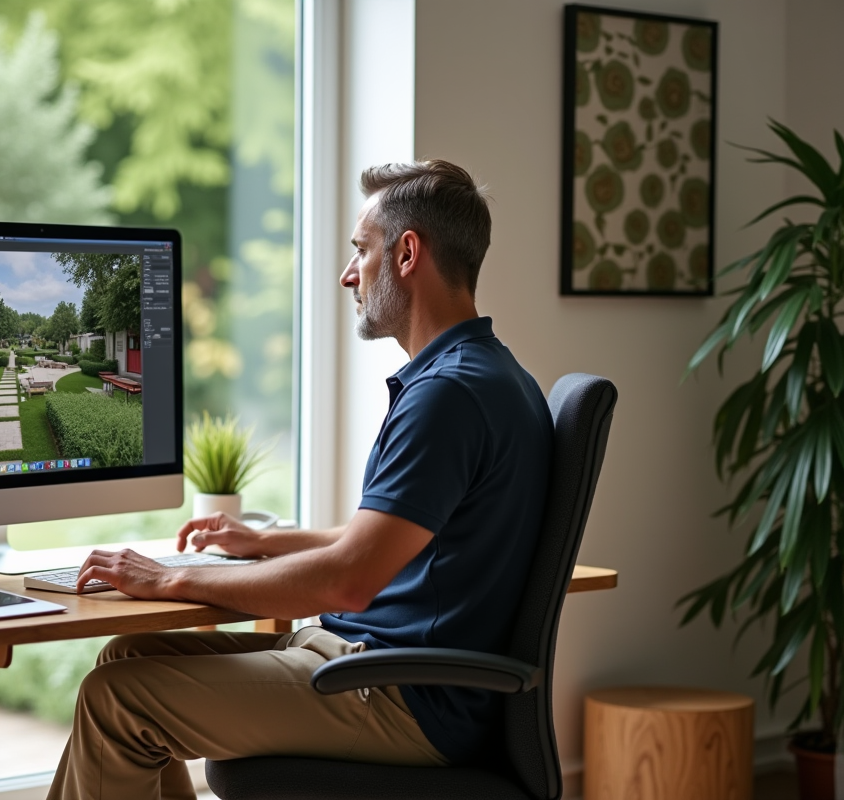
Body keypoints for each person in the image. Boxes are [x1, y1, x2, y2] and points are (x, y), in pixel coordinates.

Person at [46, 159, 554, 800]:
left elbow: (351, 578)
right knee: (126, 658)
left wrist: (168, 578)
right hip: (371, 661)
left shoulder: (448, 395)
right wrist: (260, 543)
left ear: (406, 254)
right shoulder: (486, 374)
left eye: (360, 251)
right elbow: (377, 543)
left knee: (116, 701)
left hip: (400, 695)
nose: (348, 274)